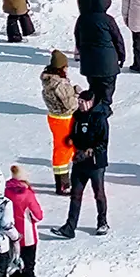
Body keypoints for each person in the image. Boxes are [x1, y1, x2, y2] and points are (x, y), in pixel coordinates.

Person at [74, 0, 127, 107]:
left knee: (95, 87)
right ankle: (102, 111)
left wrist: (82, 52)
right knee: (107, 89)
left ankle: (95, 107)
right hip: (108, 64)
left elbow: (78, 38)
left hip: (90, 62)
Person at [54, 98, 112, 237]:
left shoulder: (100, 118)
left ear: (90, 102)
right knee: (75, 195)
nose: (79, 104)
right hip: (79, 163)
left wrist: (89, 151)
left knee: (98, 194)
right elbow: (75, 133)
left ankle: (102, 223)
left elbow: (103, 143)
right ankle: (69, 227)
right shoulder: (77, 117)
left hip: (95, 165)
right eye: (78, 102)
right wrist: (71, 139)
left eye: (82, 102)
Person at [5, 165, 47, 277]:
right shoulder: (27, 194)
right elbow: (37, 216)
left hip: (10, 236)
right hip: (27, 236)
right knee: (28, 266)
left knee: (13, 263)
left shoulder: (5, 191)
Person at [41, 50, 81, 195]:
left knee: (63, 149)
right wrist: (77, 94)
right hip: (64, 119)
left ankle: (63, 182)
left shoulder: (49, 81)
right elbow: (70, 105)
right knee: (64, 150)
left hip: (54, 118)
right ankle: (63, 184)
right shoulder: (60, 84)